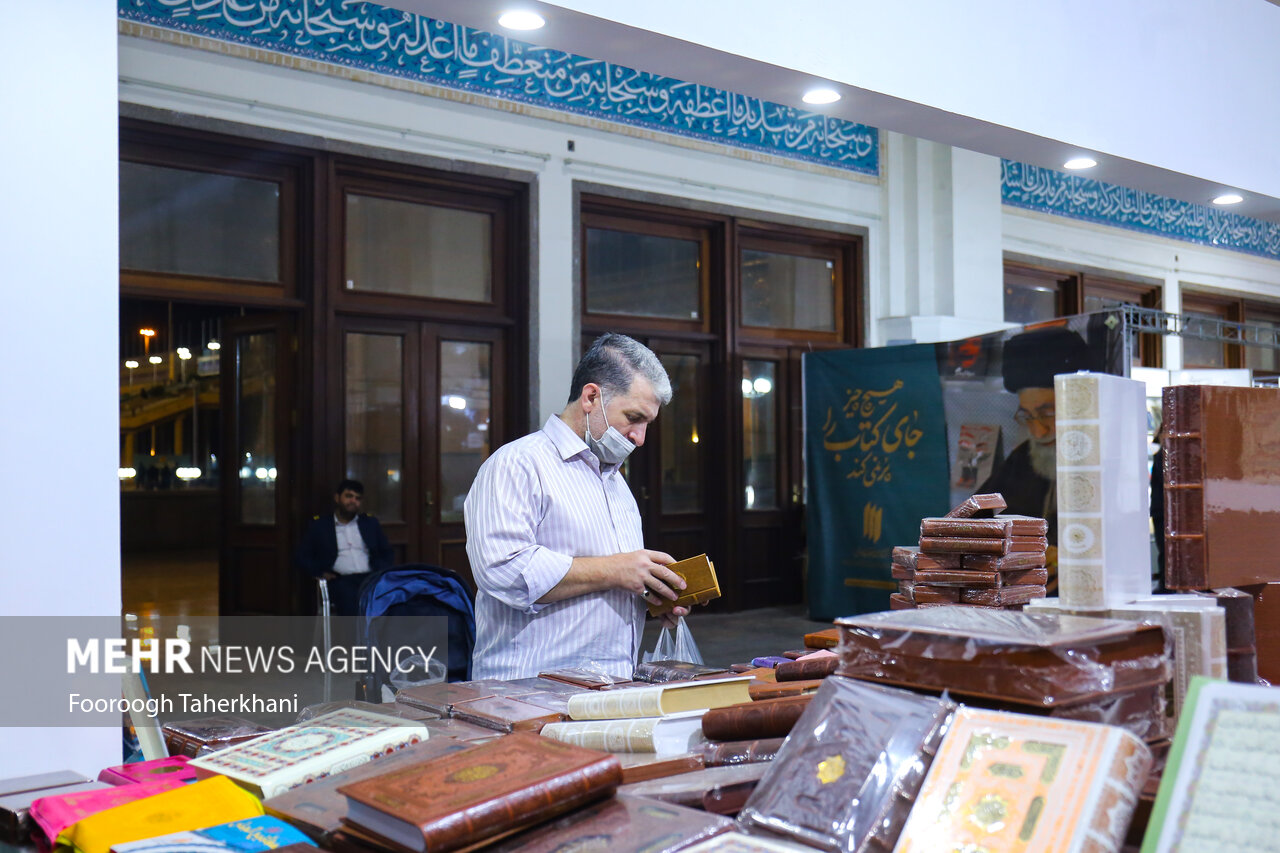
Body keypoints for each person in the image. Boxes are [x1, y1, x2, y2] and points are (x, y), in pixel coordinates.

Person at [464, 333, 691, 680]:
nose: (639, 437)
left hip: (610, 686)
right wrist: (616, 570)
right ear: (590, 397)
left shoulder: (616, 484)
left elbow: (606, 580)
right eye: (634, 417)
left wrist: (647, 596)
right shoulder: (518, 464)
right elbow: (502, 571)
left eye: (648, 424)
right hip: (528, 691)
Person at [976, 326, 1092, 590]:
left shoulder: (1107, 459)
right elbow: (976, 524)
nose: (1038, 431)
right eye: (1028, 416)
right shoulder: (1022, 460)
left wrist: (1072, 559)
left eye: (1048, 413)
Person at [295, 479, 394, 617]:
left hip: (370, 577)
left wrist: (381, 571)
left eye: (357, 498)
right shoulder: (320, 525)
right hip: (341, 580)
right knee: (351, 601)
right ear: (337, 498)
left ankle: (380, 637)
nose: (353, 501)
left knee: (394, 596)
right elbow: (302, 556)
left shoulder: (370, 523)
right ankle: (355, 638)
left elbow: (387, 552)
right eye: (349, 496)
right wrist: (320, 572)